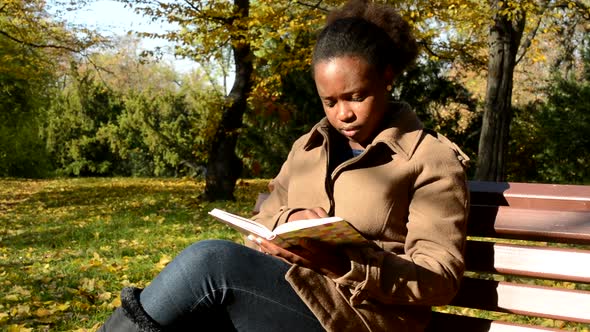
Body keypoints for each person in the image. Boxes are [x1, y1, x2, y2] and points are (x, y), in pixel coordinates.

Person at [99, 0, 470, 331]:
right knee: (197, 313)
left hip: (365, 316)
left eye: (357, 96)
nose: (344, 113)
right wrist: (286, 224)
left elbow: (439, 278)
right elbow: (261, 219)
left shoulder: (427, 159)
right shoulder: (307, 149)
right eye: (330, 101)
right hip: (295, 294)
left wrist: (342, 264)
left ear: (387, 78)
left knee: (210, 262)